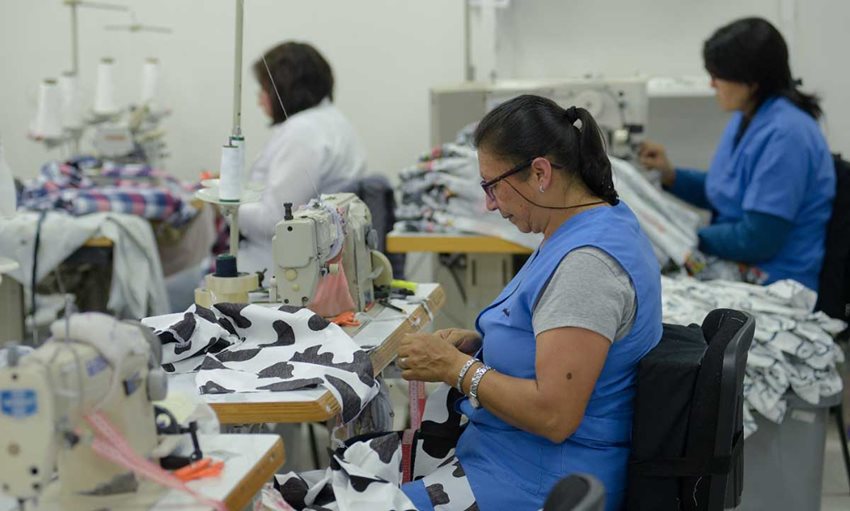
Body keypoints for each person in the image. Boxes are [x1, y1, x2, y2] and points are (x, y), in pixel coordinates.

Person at [396, 95, 663, 511]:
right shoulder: (593, 222)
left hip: (536, 484)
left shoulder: (586, 265)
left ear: (540, 172)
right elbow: (552, 334)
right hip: (506, 459)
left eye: (492, 186)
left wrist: (456, 368)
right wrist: (480, 345)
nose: (488, 203)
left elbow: (554, 414)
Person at [640, 17, 835, 291]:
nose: (712, 85)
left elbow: (759, 238)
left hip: (775, 279)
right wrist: (671, 176)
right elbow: (727, 192)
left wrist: (683, 237)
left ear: (751, 81)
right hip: (739, 263)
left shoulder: (788, 134)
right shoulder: (748, 117)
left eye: (718, 76)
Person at [237, 41, 367, 274]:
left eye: (264, 89)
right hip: (310, 264)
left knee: (169, 290)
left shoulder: (303, 133)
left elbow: (274, 222)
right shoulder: (333, 122)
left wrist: (225, 202)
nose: (259, 99)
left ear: (284, 88)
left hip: (275, 269)